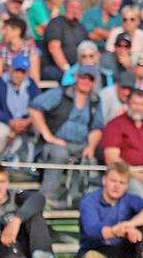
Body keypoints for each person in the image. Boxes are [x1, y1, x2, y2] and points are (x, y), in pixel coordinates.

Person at [28, 64, 104, 202]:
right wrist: (48, 135)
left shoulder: (95, 100)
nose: (86, 81)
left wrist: (90, 147)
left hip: (81, 144)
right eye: (83, 77)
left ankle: (81, 199)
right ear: (76, 77)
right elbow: (34, 108)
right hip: (56, 143)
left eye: (90, 79)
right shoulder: (60, 93)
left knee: (95, 157)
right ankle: (44, 198)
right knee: (60, 154)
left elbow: (97, 127)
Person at [76, 162, 143, 258]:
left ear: (127, 186)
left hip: (121, 251)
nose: (117, 186)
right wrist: (117, 231)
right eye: (113, 181)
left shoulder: (130, 199)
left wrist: (130, 224)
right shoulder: (89, 202)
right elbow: (92, 231)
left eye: (122, 183)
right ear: (104, 180)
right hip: (95, 249)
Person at [101, 90, 143, 200]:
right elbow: (111, 159)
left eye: (142, 105)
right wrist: (139, 175)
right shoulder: (115, 125)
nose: (138, 108)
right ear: (128, 104)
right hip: (128, 176)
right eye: (135, 104)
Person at [0, 54, 40, 158]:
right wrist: (10, 121)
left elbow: (40, 105)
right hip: (6, 121)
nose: (19, 75)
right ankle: (2, 159)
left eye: (23, 72)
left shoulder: (31, 84)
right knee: (0, 133)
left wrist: (28, 121)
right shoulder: (0, 82)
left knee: (40, 127)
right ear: (11, 69)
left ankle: (30, 161)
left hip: (26, 123)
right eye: (17, 71)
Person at [41, 0, 89, 81]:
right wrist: (67, 69)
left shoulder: (81, 28)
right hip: (55, 67)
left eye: (78, 8)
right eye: (72, 7)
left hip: (76, 68)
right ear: (65, 7)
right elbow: (54, 48)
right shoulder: (56, 24)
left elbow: (88, 48)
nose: (75, 11)